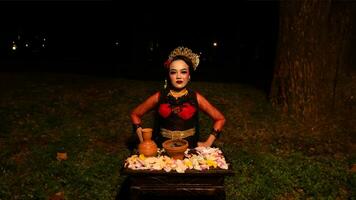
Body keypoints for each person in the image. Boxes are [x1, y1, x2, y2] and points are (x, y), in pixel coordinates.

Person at [130, 46, 226, 148]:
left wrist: (208, 143)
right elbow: (135, 114)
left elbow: (220, 119)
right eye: (173, 72)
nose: (178, 76)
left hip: (189, 149)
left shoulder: (195, 97)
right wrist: (142, 140)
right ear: (168, 75)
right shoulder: (160, 96)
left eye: (183, 72)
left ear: (189, 76)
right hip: (163, 150)